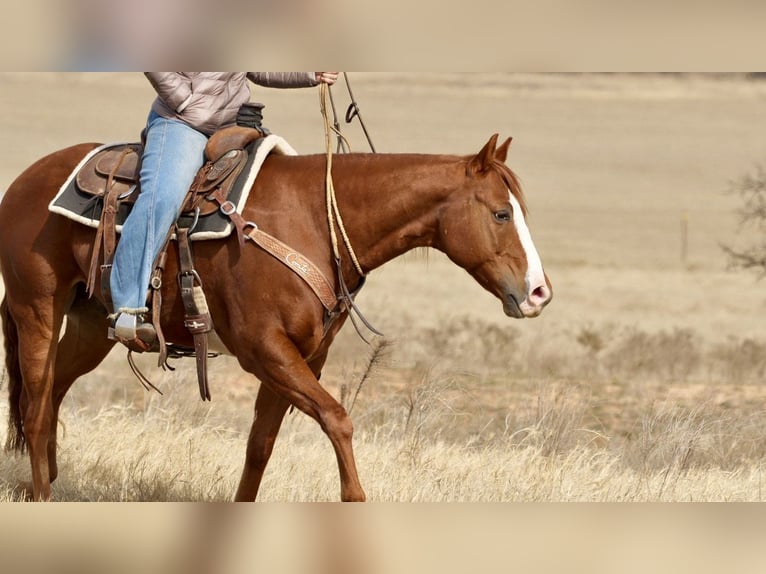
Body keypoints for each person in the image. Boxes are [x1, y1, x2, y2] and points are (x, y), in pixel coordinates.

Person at [111, 72, 340, 346]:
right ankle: (126, 308)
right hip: (182, 123)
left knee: (285, 187)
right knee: (162, 197)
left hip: (233, 124)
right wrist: (187, 102)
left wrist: (310, 74)